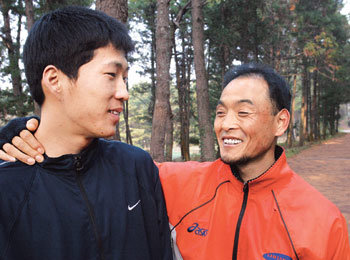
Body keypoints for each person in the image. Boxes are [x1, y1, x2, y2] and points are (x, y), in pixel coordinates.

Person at [1, 64, 350, 260]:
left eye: (244, 112)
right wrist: (24, 131)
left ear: (281, 122)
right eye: (220, 112)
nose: (227, 123)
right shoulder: (177, 181)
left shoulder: (323, 221)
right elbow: (99, 166)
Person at [0, 6, 172, 260]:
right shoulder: (7, 189)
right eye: (111, 75)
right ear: (54, 80)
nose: (124, 92)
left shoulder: (136, 167)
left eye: (125, 77)